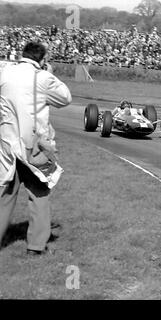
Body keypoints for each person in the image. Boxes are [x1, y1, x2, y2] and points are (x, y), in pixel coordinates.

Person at [0, 42, 72, 255]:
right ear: (42, 59)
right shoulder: (42, 77)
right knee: (39, 192)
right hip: (32, 145)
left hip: (6, 143)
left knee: (5, 194)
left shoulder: (5, 71)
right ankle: (36, 246)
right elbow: (65, 98)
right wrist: (49, 73)